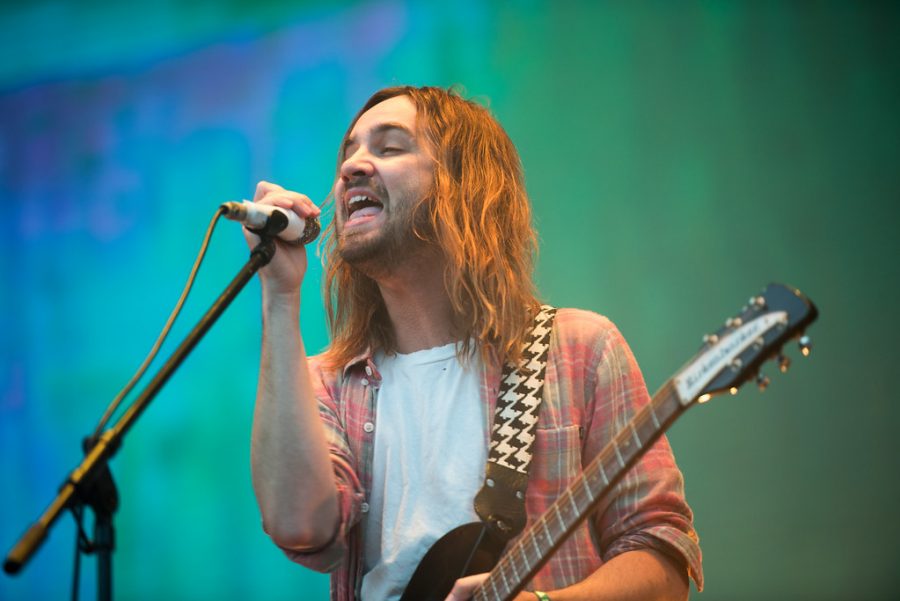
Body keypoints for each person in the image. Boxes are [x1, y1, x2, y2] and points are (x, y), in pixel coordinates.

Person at [245, 85, 703, 601]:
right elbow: (297, 525)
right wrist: (280, 297)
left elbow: (662, 559)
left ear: (462, 186)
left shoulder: (577, 350)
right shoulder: (327, 384)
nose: (353, 166)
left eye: (390, 147)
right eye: (349, 151)